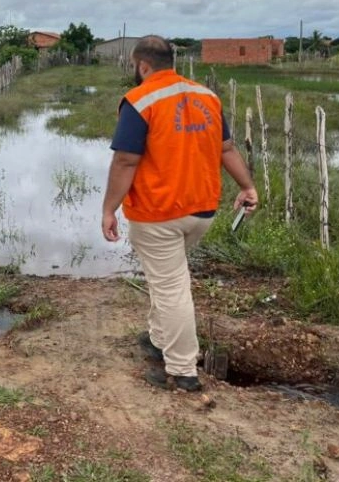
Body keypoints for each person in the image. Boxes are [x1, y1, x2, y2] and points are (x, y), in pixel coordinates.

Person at [101, 37, 257, 391]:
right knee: (166, 277)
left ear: (142, 66)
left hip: (158, 214)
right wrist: (247, 187)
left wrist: (109, 209)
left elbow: (126, 160)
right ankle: (158, 339)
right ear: (172, 62)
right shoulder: (208, 97)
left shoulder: (139, 100)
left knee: (172, 288)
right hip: (201, 211)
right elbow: (227, 150)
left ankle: (183, 370)